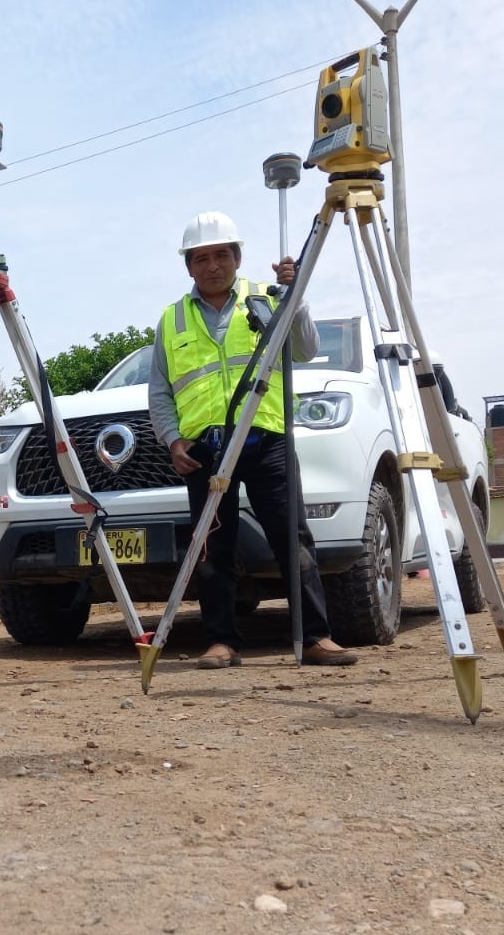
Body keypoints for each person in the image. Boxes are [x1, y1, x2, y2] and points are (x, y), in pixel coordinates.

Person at [149, 211, 358, 669]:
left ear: (238, 257)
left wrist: (295, 295)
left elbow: (304, 349)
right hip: (207, 449)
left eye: (221, 254)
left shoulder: (268, 297)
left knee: (292, 539)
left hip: (267, 439)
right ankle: (222, 642)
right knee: (211, 548)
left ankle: (316, 637)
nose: (212, 265)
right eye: (201, 258)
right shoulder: (172, 320)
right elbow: (160, 391)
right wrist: (171, 440)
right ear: (188, 266)